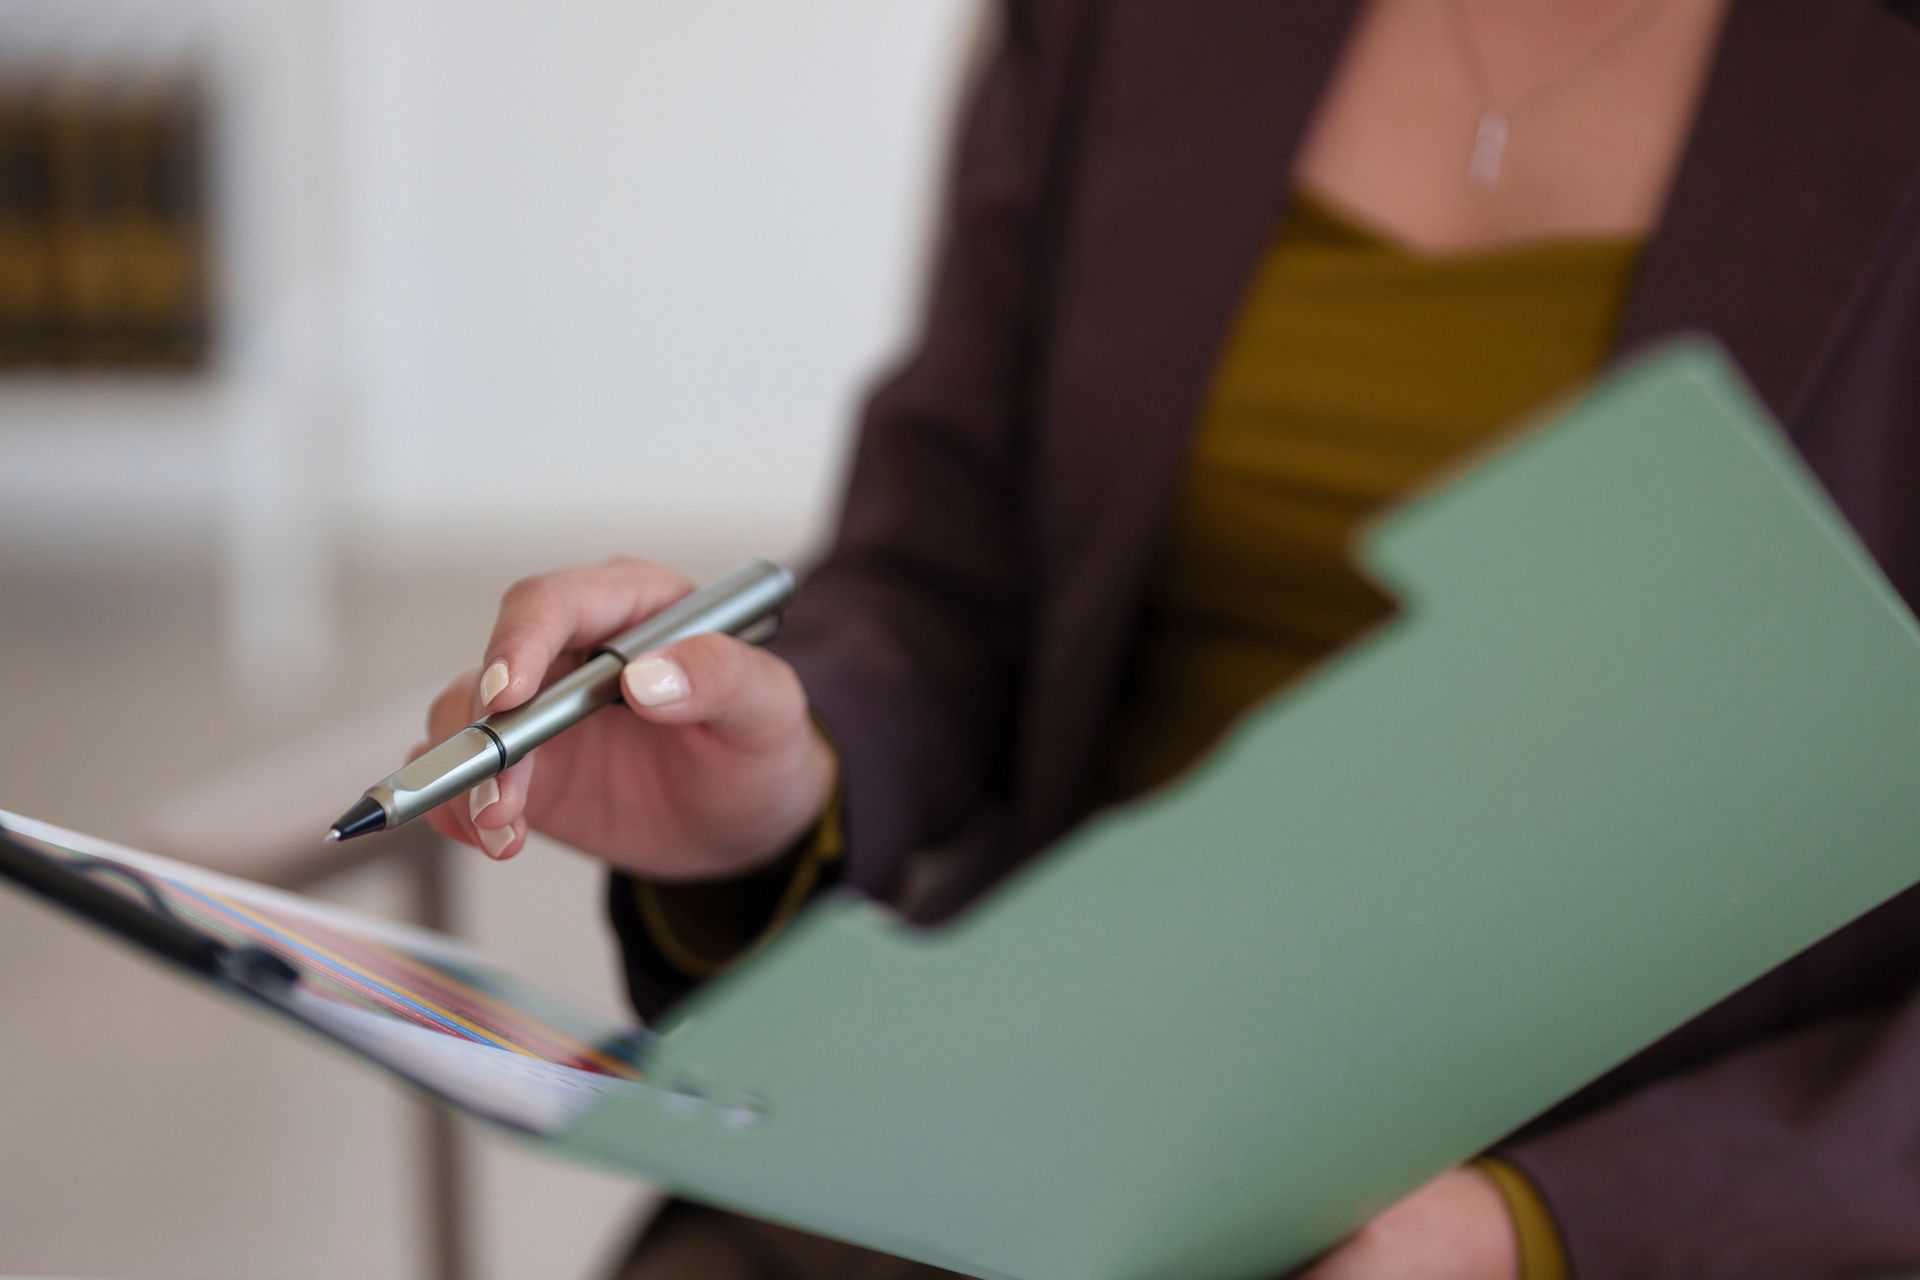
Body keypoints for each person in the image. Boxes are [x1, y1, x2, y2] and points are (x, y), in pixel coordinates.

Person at [415, 0, 1920, 1275]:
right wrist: (785, 774)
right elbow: (942, 580)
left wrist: (1535, 1225)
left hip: (1657, 1186)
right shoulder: (1118, 30)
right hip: (1043, 1147)